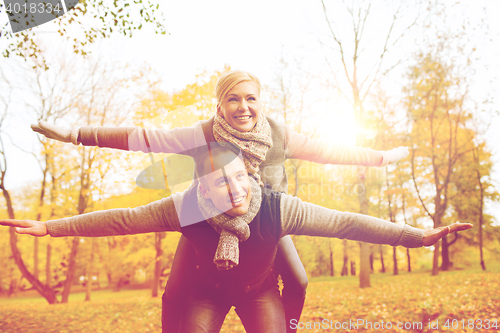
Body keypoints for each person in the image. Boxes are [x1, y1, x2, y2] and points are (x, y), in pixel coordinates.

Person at [31, 70, 410, 332]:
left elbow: (333, 152)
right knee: (175, 294)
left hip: (265, 221)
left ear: (260, 103)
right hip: (205, 221)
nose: (243, 107)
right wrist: (77, 134)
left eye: (251, 99)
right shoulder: (201, 134)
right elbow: (144, 137)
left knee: (298, 278)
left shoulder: (279, 135)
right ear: (219, 106)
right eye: (233, 99)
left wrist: (381, 157)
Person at [0, 144, 472, 333]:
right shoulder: (185, 208)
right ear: (200, 189)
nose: (234, 190)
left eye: (239, 179)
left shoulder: (276, 207)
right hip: (203, 293)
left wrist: (417, 237)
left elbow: (349, 222)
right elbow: (123, 219)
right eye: (220, 184)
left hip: (259, 291)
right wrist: (50, 227)